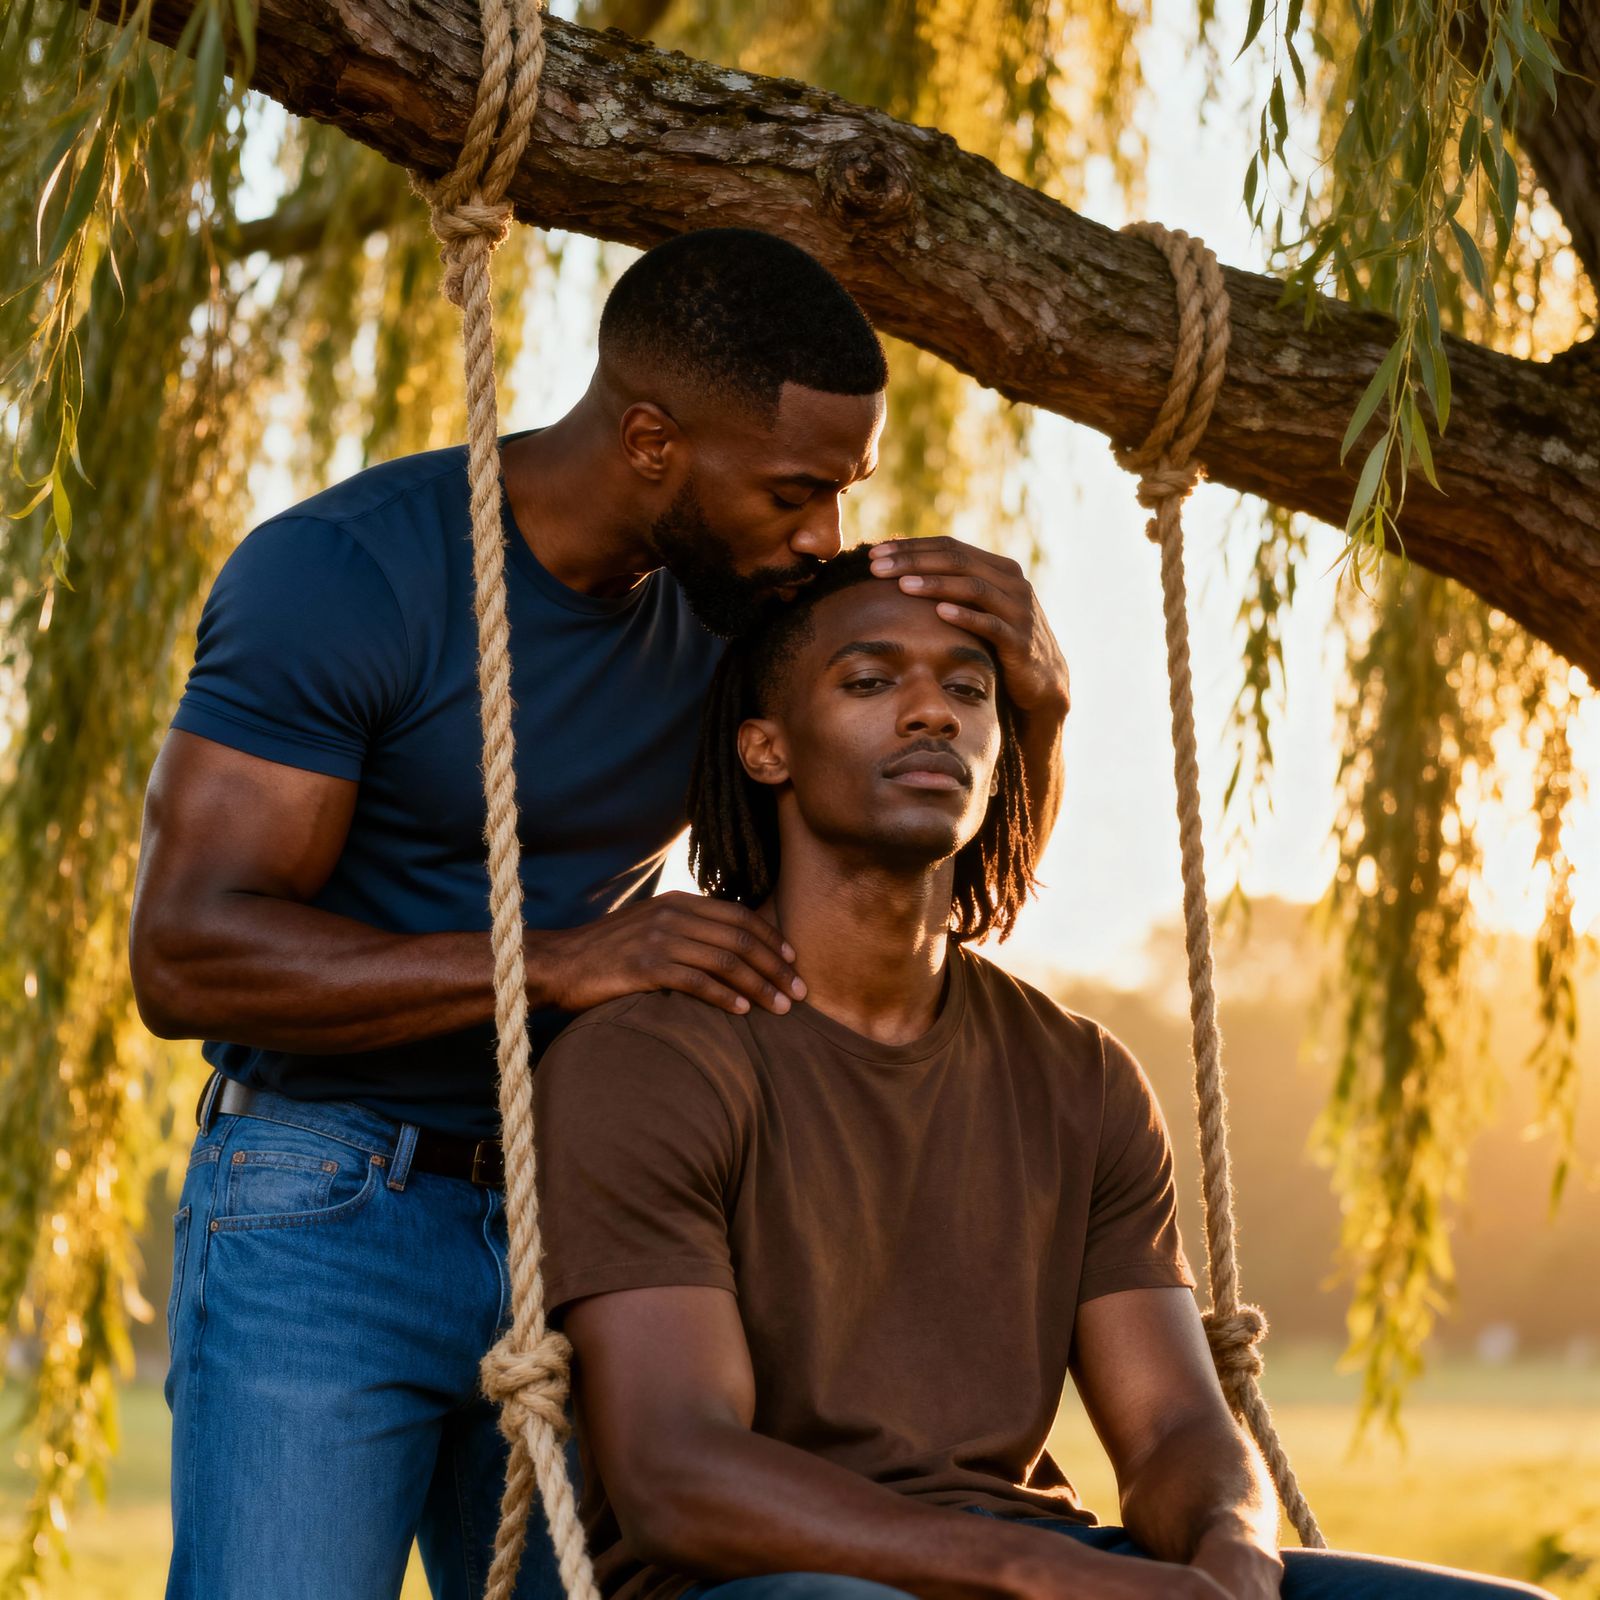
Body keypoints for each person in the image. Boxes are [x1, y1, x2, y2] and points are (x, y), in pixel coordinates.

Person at [128, 230, 1071, 1600]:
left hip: (594, 1213)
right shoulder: (345, 577)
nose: (823, 540)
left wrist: (1036, 696)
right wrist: (564, 964)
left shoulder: (735, 612)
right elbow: (186, 955)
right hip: (327, 1202)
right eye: (797, 492)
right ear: (649, 441)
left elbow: (931, 882)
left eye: (843, 491)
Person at [533, 546, 1555, 1600]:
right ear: (765, 748)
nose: (932, 712)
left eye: (967, 689)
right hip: (778, 1580)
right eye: (871, 680)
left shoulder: (1080, 1073)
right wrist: (1028, 1571)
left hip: (1038, 1560)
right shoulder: (652, 1055)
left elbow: (1170, 1427)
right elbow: (675, 1469)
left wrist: (1234, 1555)